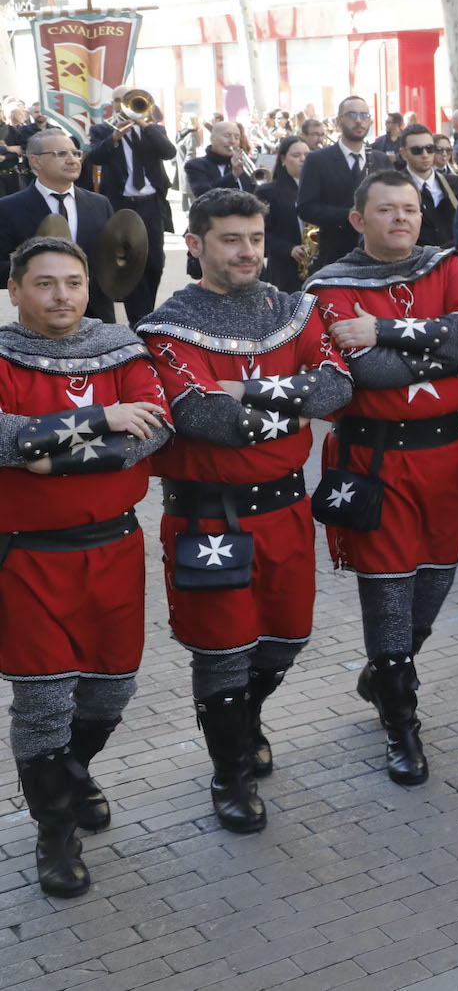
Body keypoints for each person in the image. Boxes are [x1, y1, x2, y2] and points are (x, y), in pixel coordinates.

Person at [138, 187, 353, 834]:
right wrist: (291, 405)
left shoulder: (293, 309)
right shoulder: (166, 327)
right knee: (223, 650)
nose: (247, 251)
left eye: (255, 238)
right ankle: (228, 771)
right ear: (196, 244)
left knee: (288, 638)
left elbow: (339, 385)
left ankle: (240, 719)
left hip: (286, 508)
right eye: (231, 239)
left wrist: (252, 389)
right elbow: (206, 416)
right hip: (208, 517)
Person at [307, 170, 458, 786]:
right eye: (386, 210)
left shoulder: (447, 264)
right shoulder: (330, 285)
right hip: (377, 459)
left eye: (410, 209)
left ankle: (388, 668)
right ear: (358, 219)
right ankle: (401, 720)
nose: (402, 220)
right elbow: (364, 372)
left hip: (448, 456)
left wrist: (386, 331)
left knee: (435, 580)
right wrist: (448, 360)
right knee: (387, 584)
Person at [0, 237, 170, 897]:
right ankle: (54, 828)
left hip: (114, 548)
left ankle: (68, 772)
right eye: (44, 283)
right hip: (28, 556)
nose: (61, 295)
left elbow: (153, 427)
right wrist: (99, 417)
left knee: (110, 690)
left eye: (72, 281)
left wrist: (44, 450)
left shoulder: (121, 347)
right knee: (42, 700)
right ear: (16, 290)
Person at [0, 129, 116, 323]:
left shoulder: (100, 204)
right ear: (35, 161)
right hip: (41, 322)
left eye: (75, 153)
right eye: (61, 154)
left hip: (98, 318)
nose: (72, 160)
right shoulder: (8, 208)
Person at [89, 87, 176, 324]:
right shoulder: (102, 130)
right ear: (113, 104)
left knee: (155, 261)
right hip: (121, 204)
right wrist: (115, 137)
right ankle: (140, 319)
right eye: (118, 100)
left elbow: (169, 152)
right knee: (130, 260)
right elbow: (94, 157)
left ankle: (146, 313)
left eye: (126, 100)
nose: (122, 104)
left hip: (151, 203)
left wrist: (146, 125)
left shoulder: (154, 129)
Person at [297, 97, 384, 271]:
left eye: (364, 115)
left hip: (378, 256)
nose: (359, 120)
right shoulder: (317, 160)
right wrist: (348, 215)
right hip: (335, 257)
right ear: (338, 122)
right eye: (352, 115)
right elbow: (305, 208)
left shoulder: (381, 160)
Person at [183, 121, 263, 280]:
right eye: (227, 136)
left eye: (236, 137)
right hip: (214, 234)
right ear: (212, 137)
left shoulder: (247, 165)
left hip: (246, 234)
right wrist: (232, 175)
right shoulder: (196, 164)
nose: (232, 141)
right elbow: (203, 193)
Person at [397, 123, 458, 248]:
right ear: (403, 153)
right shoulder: (394, 185)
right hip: (414, 261)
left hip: (451, 257)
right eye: (416, 150)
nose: (425, 154)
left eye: (430, 148)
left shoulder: (453, 183)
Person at [259, 138, 310, 293]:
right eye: (296, 155)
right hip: (284, 270)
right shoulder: (268, 192)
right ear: (283, 159)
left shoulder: (321, 188)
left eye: (307, 154)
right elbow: (261, 234)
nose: (303, 159)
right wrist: (289, 249)